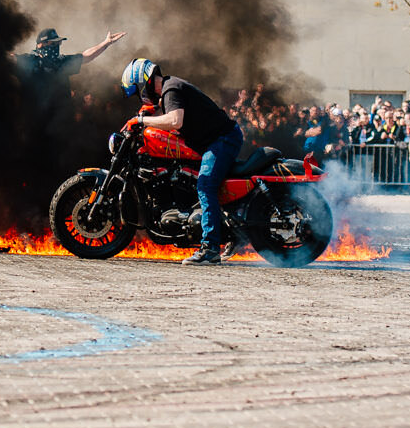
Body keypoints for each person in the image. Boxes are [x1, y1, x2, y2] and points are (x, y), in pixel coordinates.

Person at [121, 57, 243, 266]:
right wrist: (143, 114)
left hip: (222, 140)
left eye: (138, 92)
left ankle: (210, 249)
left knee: (205, 185)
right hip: (212, 141)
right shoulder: (169, 91)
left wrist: (141, 121)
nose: (140, 97)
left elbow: (175, 120)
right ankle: (232, 234)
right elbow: (166, 112)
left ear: (144, 83)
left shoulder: (171, 89)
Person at [21, 28, 125, 80]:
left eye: (59, 43)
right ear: (41, 44)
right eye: (53, 43)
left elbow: (86, 57)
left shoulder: (61, 62)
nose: (57, 46)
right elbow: (11, 61)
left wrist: (106, 43)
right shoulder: (29, 61)